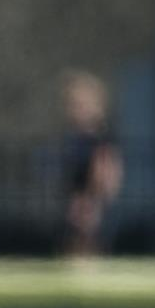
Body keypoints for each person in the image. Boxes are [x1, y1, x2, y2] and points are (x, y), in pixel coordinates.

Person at [58, 70, 122, 259]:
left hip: (89, 206)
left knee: (88, 249)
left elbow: (108, 176)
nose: (74, 110)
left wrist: (91, 201)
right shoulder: (72, 140)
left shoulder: (100, 141)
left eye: (80, 105)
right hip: (73, 204)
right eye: (71, 104)